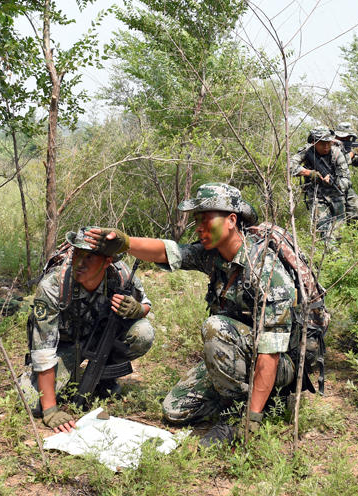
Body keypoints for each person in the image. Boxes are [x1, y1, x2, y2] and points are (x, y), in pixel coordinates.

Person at [84, 183, 297, 445]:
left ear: (231, 220)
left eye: (205, 220)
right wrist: (125, 243)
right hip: (238, 353)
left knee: (216, 326)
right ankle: (245, 391)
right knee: (175, 409)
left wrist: (251, 418)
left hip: (278, 362)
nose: (198, 227)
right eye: (197, 220)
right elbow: (168, 251)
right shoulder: (213, 255)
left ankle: (237, 412)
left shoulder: (267, 272)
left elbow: (270, 351)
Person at [20, 226, 155, 433]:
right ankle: (75, 376)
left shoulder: (121, 277)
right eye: (77, 254)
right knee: (31, 401)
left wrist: (137, 310)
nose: (80, 263)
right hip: (62, 347)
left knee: (142, 333)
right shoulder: (54, 285)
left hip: (101, 341)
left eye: (90, 257)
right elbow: (43, 350)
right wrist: (50, 410)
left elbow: (145, 304)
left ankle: (104, 378)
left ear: (107, 261)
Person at [289, 126, 343, 239]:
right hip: (316, 195)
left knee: (338, 234)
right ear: (314, 142)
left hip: (336, 195)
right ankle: (330, 255)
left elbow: (346, 178)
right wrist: (310, 173)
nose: (326, 146)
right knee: (324, 230)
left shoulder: (337, 153)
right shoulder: (307, 151)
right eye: (322, 143)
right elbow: (290, 167)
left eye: (329, 143)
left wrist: (337, 183)